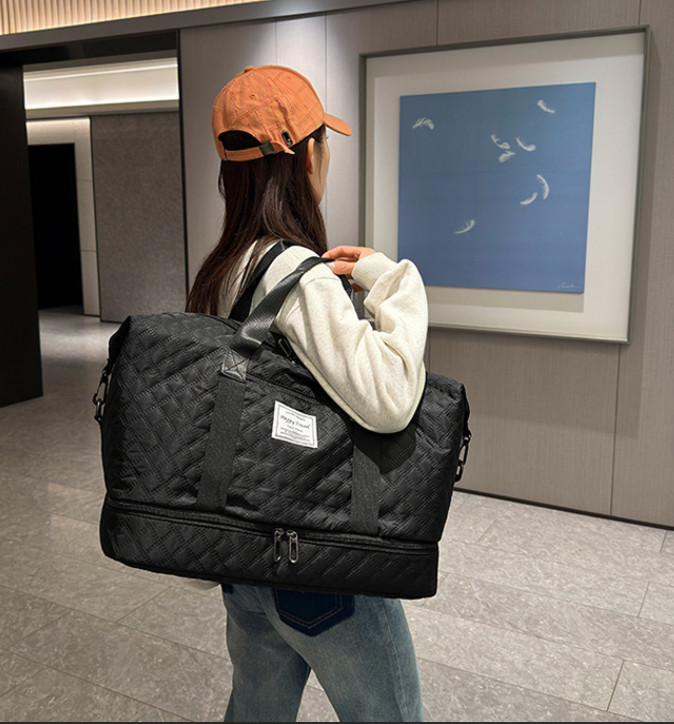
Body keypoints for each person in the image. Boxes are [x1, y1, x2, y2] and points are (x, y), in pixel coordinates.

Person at [186, 64, 429, 723]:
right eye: (324, 141)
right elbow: (388, 399)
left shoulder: (223, 267)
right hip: (316, 563)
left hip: (245, 557)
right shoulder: (297, 272)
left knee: (256, 711)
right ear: (306, 157)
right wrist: (396, 285)